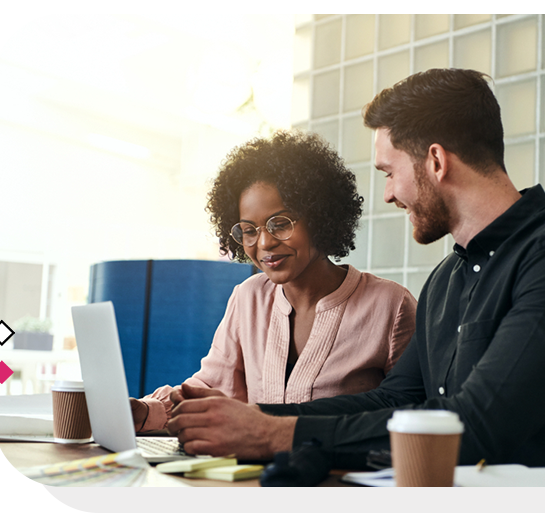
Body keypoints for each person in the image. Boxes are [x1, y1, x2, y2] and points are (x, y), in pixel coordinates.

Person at [166, 69, 545, 487]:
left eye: (389, 171)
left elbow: (474, 427)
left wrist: (272, 436)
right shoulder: (447, 280)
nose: (388, 195)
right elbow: (397, 401)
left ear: (435, 160)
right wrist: (257, 418)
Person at [130, 130, 417, 432]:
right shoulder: (248, 297)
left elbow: (412, 412)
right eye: (249, 229)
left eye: (280, 224)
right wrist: (141, 411)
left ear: (319, 217)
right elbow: (209, 388)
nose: (264, 243)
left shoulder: (391, 306)